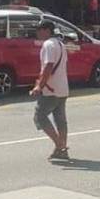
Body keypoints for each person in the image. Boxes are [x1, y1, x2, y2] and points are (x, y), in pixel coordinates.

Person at [30, 20, 70, 161]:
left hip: (51, 89)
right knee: (60, 120)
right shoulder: (60, 44)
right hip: (62, 88)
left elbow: (48, 67)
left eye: (40, 29)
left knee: (40, 117)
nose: (38, 32)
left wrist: (39, 86)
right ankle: (62, 149)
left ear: (47, 30)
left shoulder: (48, 45)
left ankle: (60, 145)